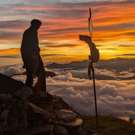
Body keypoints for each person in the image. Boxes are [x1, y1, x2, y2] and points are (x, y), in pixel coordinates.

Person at [21, 19, 46, 96]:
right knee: (36, 74)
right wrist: (26, 60)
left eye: (39, 26)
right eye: (38, 25)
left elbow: (24, 48)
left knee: (33, 74)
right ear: (33, 25)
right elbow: (24, 48)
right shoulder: (29, 32)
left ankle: (32, 90)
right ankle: (37, 92)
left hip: (34, 56)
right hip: (32, 57)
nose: (39, 27)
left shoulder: (32, 32)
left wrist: (25, 60)